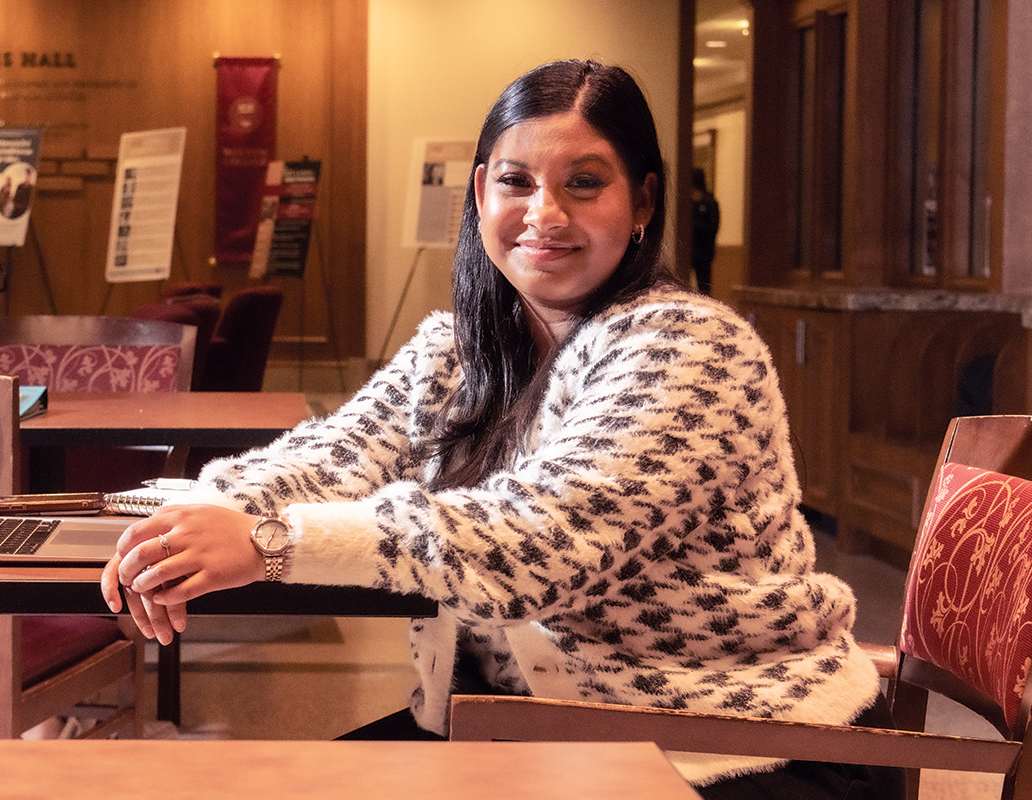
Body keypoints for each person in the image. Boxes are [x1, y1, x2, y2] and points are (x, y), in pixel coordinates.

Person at [102, 60, 894, 797]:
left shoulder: (690, 346)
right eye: (517, 181)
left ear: (643, 203)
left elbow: (539, 541)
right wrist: (190, 518)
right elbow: (335, 456)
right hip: (526, 734)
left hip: (726, 745)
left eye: (585, 184)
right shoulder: (456, 344)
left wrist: (274, 541)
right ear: (481, 191)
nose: (545, 213)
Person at [690, 166, 720, 295]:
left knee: (703, 288)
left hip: (704, 252)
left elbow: (713, 227)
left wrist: (693, 224)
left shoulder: (709, 203)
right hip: (689, 251)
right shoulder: (687, 203)